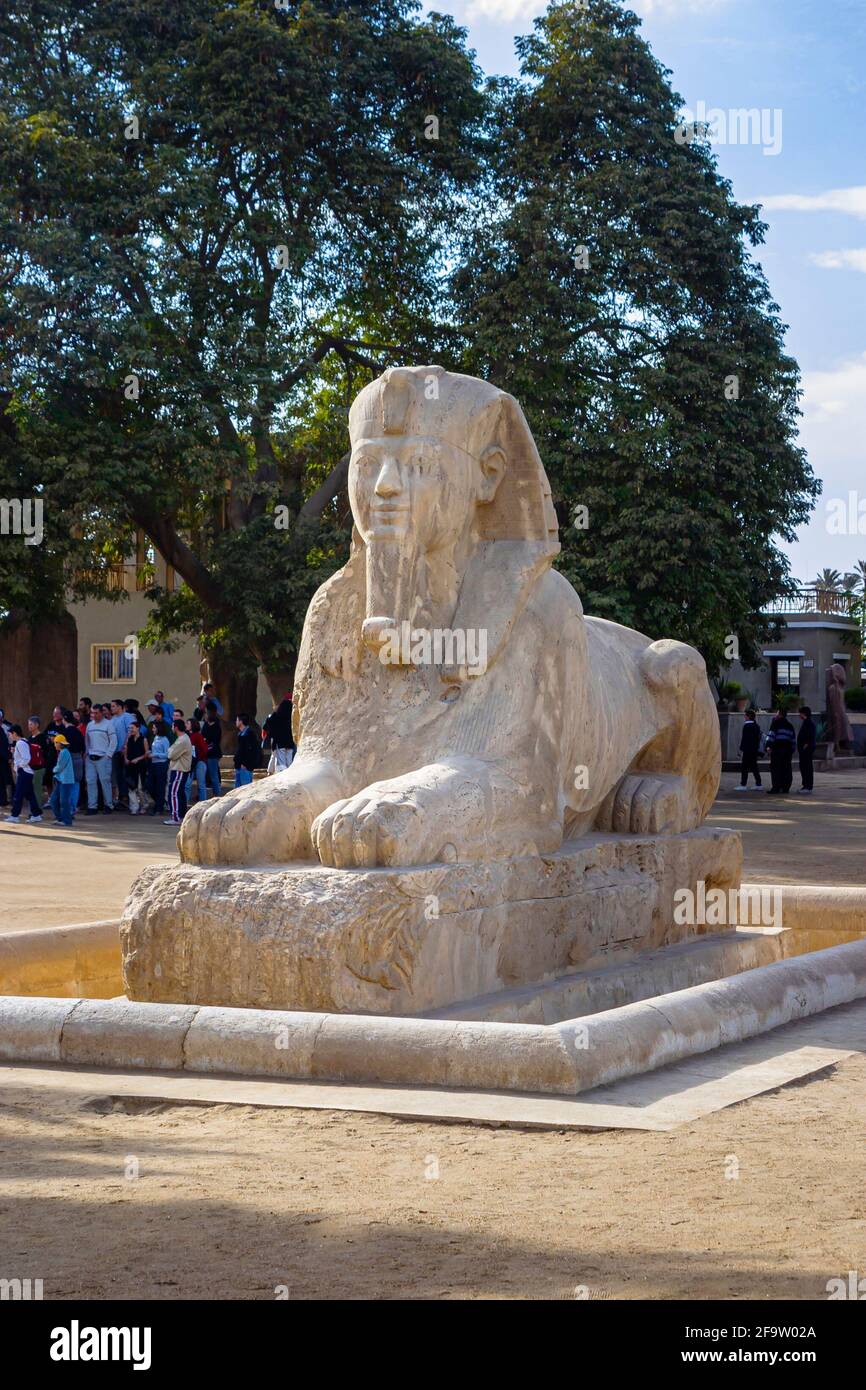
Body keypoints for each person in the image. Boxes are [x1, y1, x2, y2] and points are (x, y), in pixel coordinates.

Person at [5, 725, 43, 822]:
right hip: (27, 772)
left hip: (24, 772)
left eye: (10, 734)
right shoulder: (23, 742)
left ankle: (14, 816)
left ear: (14, 733)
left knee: (18, 795)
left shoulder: (20, 743)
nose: (9, 736)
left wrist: (19, 766)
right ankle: (36, 814)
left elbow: (27, 758)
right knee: (30, 795)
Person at [84, 704, 116, 813]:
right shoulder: (89, 725)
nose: (94, 715)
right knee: (90, 781)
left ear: (102, 713)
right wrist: (87, 752)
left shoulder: (108, 724)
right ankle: (92, 806)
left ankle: (109, 805)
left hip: (103, 758)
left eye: (96, 713)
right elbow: (87, 740)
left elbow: (113, 741)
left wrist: (108, 755)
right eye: (92, 713)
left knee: (105, 782)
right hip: (90, 758)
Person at [165, 717, 192, 825]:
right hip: (180, 769)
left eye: (172, 726)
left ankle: (176, 817)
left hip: (179, 770)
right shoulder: (183, 738)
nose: (171, 727)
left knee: (174, 793)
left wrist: (170, 750)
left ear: (176, 728)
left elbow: (171, 754)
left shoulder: (182, 740)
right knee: (179, 793)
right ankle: (181, 815)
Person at [766, 709, 796, 795]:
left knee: (776, 769)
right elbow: (793, 740)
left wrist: (768, 746)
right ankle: (785, 788)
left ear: (779, 714)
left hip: (777, 750)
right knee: (786, 769)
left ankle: (776, 788)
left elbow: (771, 736)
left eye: (777, 713)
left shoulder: (776, 723)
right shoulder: (790, 725)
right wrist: (792, 750)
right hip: (787, 751)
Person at [110, 698, 134, 807]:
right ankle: (121, 798)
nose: (112, 708)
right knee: (118, 775)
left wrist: (125, 746)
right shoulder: (112, 719)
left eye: (113, 706)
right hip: (115, 752)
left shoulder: (127, 717)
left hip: (125, 751)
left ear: (120, 706)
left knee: (126, 775)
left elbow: (130, 732)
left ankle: (127, 798)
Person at [48, 733, 76, 826]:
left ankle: (66, 821)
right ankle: (61, 819)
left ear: (60, 743)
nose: (54, 744)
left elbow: (60, 767)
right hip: (61, 780)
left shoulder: (64, 752)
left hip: (65, 781)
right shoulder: (63, 752)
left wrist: (53, 770)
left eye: (56, 742)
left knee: (63, 801)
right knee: (54, 800)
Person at [123, 719, 150, 814]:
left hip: (140, 766)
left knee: (140, 787)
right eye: (129, 728)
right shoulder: (129, 738)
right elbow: (125, 748)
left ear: (138, 728)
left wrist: (138, 759)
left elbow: (147, 753)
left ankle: (144, 805)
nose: (131, 729)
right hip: (130, 766)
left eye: (132, 728)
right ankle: (134, 807)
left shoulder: (144, 739)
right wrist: (126, 758)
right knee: (131, 787)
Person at [263, 696, 295, 774]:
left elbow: (266, 725)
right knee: (289, 760)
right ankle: (289, 775)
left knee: (281, 762)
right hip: (290, 743)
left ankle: (282, 775)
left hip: (280, 743)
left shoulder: (276, 717)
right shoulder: (292, 718)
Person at [61, 709, 86, 812]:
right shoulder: (78, 731)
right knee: (76, 784)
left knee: (67, 784)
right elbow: (82, 746)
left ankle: (68, 808)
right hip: (78, 758)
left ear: (64, 719)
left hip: (68, 758)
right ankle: (73, 808)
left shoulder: (65, 732)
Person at [146, 719, 171, 816]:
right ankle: (159, 802)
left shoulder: (164, 739)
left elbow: (167, 754)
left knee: (160, 786)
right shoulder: (155, 738)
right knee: (150, 785)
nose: (152, 729)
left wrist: (155, 754)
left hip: (161, 764)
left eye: (154, 728)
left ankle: (159, 807)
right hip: (153, 764)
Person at [735, 708, 763, 790]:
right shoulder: (756, 726)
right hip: (754, 750)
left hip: (747, 750)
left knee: (744, 767)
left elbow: (745, 739)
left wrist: (741, 749)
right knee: (754, 767)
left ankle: (743, 784)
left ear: (749, 716)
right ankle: (759, 783)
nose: (744, 716)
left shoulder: (747, 726)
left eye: (745, 715)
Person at [26, 715, 50, 809]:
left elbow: (46, 752)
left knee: (37, 788)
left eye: (31, 724)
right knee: (30, 789)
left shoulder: (42, 737)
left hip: (39, 767)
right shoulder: (30, 738)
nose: (29, 726)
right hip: (30, 767)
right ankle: (32, 809)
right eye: (29, 724)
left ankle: (37, 810)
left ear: (37, 725)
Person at [201, 700, 223, 797]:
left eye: (206, 712)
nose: (204, 714)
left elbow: (214, 740)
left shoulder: (216, 726)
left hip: (213, 753)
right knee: (209, 775)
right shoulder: (206, 725)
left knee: (214, 775)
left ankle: (217, 795)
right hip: (206, 752)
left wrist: (206, 741)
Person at [233, 713, 261, 787]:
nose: (236, 722)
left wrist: (246, 764)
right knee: (237, 791)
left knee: (245, 789)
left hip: (245, 767)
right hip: (239, 766)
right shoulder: (241, 734)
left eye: (237, 720)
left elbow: (253, 751)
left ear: (241, 722)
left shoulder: (250, 734)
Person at [186, 718, 210, 802]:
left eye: (188, 723)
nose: (186, 725)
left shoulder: (198, 736)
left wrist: (199, 757)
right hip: (191, 762)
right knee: (187, 784)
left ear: (192, 725)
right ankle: (185, 805)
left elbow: (205, 749)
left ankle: (203, 803)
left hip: (199, 762)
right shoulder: (187, 735)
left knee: (201, 785)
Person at [797, 706, 817, 795]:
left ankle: (807, 786)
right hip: (804, 750)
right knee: (804, 767)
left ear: (804, 714)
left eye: (800, 713)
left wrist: (804, 747)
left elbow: (809, 737)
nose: (799, 715)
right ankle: (805, 785)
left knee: (807, 767)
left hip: (807, 750)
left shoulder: (809, 723)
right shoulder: (806, 722)